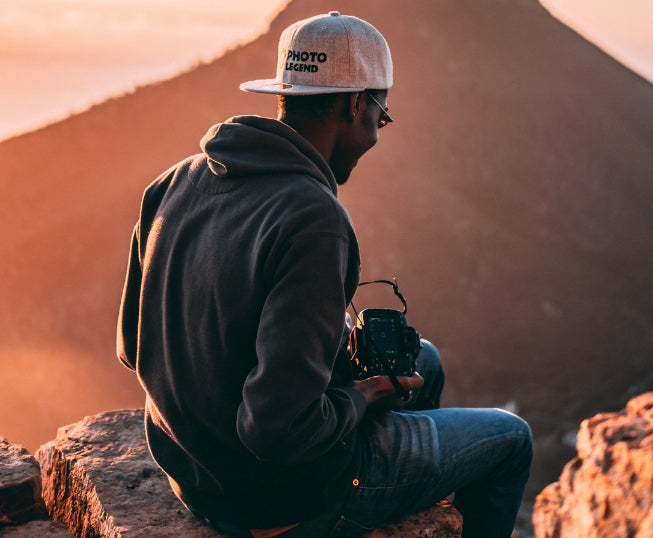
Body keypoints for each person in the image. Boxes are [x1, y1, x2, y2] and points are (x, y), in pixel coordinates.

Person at [116, 11, 532, 538]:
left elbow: (134, 345)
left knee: (423, 359)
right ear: (356, 103)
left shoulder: (175, 180)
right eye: (381, 117)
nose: (377, 134)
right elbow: (277, 430)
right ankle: (363, 485)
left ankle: (388, 474)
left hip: (194, 471)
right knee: (510, 439)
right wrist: (361, 396)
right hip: (273, 501)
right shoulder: (313, 220)